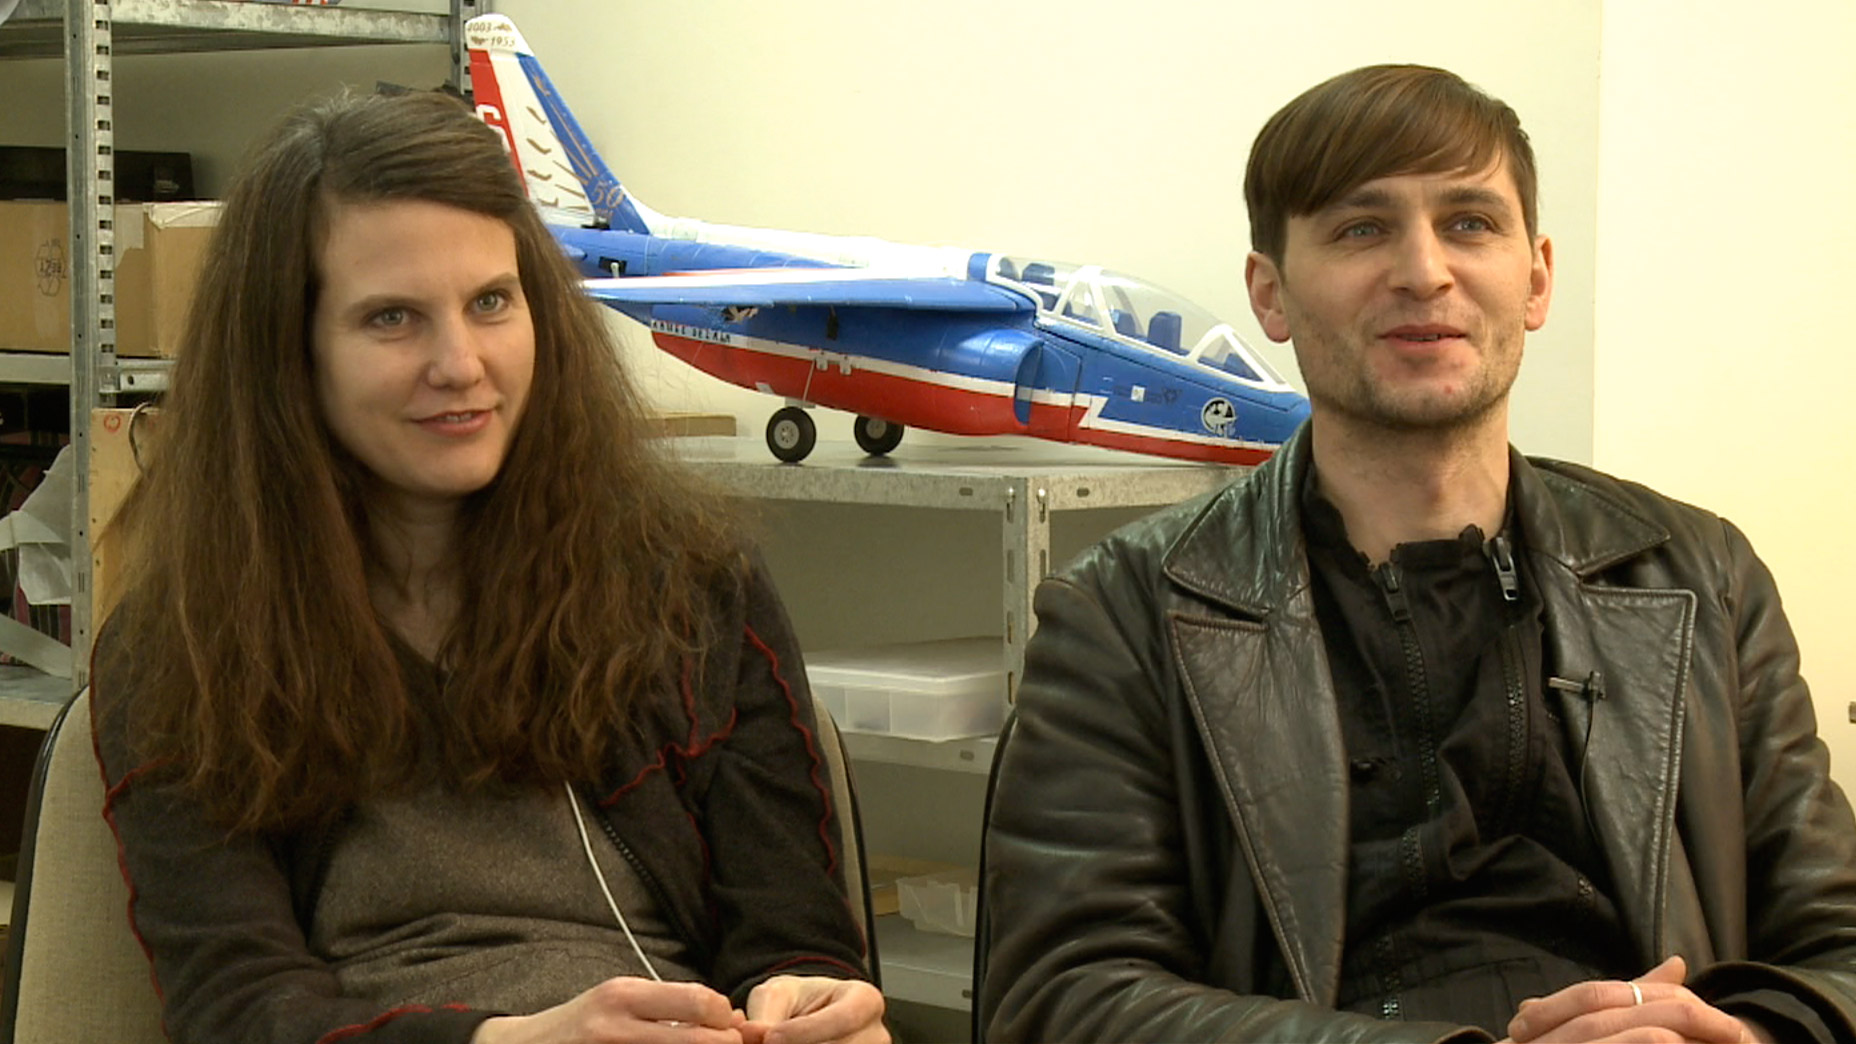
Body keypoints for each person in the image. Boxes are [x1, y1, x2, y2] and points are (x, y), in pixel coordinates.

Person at [977, 64, 1856, 1043]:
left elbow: (1837, 942)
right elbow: (1065, 998)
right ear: (1269, 293)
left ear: (1535, 278)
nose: (1424, 271)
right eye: (1361, 229)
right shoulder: (1122, 612)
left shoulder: (1700, 576)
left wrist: (1748, 1034)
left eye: (1469, 223)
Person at [92, 89, 887, 1044]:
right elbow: (237, 1010)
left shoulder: (694, 583)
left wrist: (812, 998)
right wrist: (514, 1040)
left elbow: (792, 933)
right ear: (289, 355)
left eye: (490, 302)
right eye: (392, 317)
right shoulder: (180, 645)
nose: (462, 364)